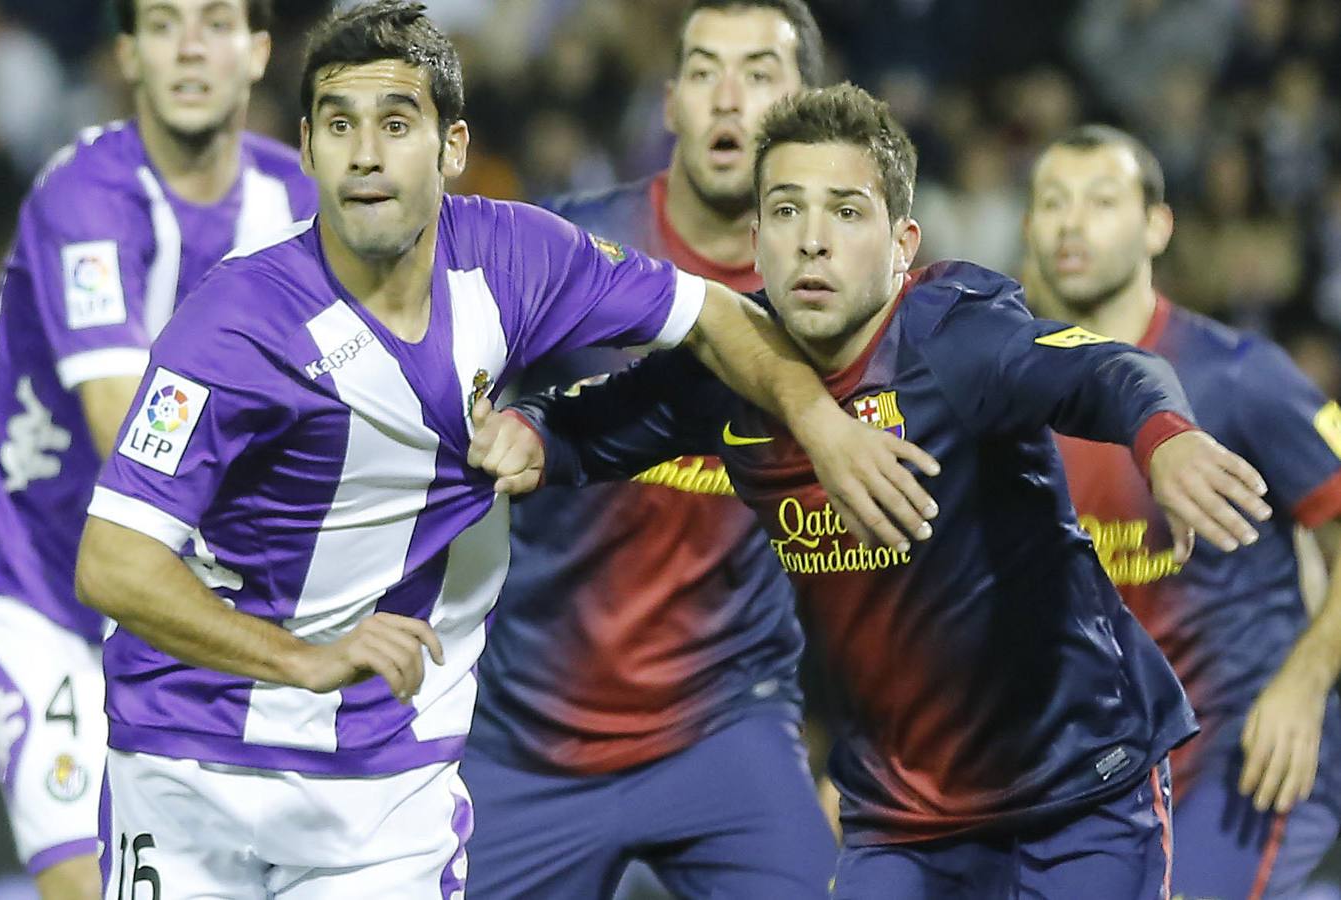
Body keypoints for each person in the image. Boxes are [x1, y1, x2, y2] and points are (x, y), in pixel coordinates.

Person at [71, 5, 937, 898]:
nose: (366, 153)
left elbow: (717, 315)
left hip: (389, 781)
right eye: (340, 125)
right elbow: (113, 563)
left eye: (396, 124)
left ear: (452, 148)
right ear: (306, 147)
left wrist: (825, 424)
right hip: (190, 761)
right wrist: (302, 656)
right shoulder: (231, 326)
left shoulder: (516, 260)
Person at [470, 83, 1273, 898]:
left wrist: (1165, 441)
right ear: (757, 239)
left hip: (1078, 795)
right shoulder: (732, 372)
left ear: (903, 244)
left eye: (846, 213)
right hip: (900, 823)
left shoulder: (955, 338)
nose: (812, 241)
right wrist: (527, 432)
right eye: (786, 211)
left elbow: (1108, 368)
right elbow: (592, 421)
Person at [0, 1, 313, 897]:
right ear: (125, 55)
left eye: (216, 21)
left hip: (188, 599)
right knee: (92, 887)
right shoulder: (84, 198)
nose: (189, 46)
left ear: (258, 51)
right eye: (163, 23)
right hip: (36, 593)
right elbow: (131, 447)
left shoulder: (299, 201)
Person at [462, 1, 837, 896]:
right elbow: (442, 410)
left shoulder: (837, 291)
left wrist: (862, 757)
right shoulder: (563, 247)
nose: (729, 100)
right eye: (705, 73)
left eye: (760, 74)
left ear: (809, 105)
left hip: (728, 728)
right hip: (529, 736)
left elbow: (892, 565)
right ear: (669, 102)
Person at [1026, 124, 1341, 899]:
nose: (1072, 222)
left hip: (1248, 755)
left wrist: (1303, 686)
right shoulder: (1006, 389)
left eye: (1102, 201)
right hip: (1090, 764)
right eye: (1053, 202)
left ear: (1156, 225)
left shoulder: (1241, 378)